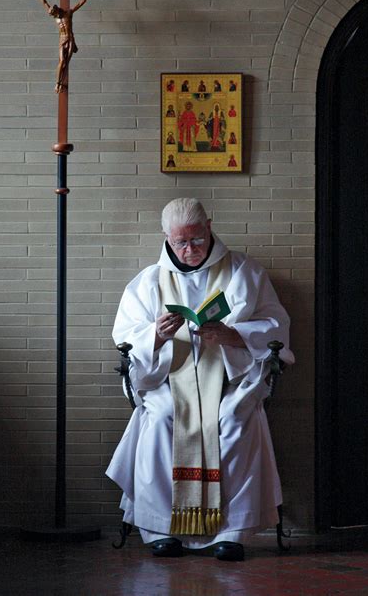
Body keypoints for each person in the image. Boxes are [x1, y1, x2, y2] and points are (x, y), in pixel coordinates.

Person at [106, 198, 294, 561]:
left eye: (196, 239)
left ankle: (232, 531)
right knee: (160, 420)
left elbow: (276, 328)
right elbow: (127, 340)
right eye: (180, 242)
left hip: (230, 380)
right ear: (166, 237)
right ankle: (162, 528)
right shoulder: (148, 282)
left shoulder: (244, 272)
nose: (189, 249)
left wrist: (232, 336)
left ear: (209, 227)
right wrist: (156, 336)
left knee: (235, 421)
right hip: (168, 381)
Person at [34, 0, 95, 93]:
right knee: (61, 61)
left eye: (55, 14)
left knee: (67, 61)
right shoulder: (54, 14)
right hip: (62, 39)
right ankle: (57, 83)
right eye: (53, 15)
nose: (54, 16)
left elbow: (80, 3)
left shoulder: (68, 13)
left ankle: (61, 83)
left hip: (70, 37)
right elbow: (44, 3)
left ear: (57, 10)